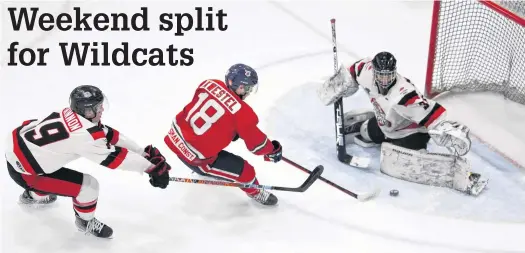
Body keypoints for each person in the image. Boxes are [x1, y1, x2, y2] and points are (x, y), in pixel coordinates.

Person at [4, 85, 172, 239]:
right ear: (86, 111)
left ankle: (34, 194)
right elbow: (116, 159)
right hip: (26, 173)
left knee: (51, 170)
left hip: (19, 153)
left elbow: (108, 134)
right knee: (89, 187)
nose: (102, 109)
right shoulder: (85, 136)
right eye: (97, 107)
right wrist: (150, 167)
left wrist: (142, 152)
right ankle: (84, 221)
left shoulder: (69, 113)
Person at [317, 51, 488, 196]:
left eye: (388, 76)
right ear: (375, 72)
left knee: (402, 161)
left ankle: (459, 174)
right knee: (367, 132)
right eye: (381, 75)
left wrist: (444, 129)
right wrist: (339, 83)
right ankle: (366, 129)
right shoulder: (367, 71)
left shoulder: (405, 95)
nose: (384, 80)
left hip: (411, 133)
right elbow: (353, 70)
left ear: (394, 72)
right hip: (386, 124)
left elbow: (430, 113)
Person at [163, 63, 283, 206]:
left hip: (174, 139)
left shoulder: (208, 84)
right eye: (248, 88)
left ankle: (206, 170)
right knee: (246, 171)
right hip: (196, 160)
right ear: (240, 87)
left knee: (209, 142)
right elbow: (257, 146)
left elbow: (211, 114)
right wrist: (272, 150)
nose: (249, 92)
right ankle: (256, 192)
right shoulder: (243, 113)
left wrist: (232, 130)